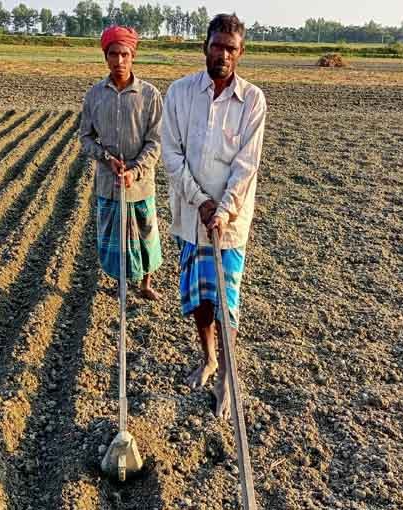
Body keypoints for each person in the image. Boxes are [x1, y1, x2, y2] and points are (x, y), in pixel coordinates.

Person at [161, 13, 267, 419]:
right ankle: (208, 358)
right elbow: (172, 154)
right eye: (217, 45)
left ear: (241, 53)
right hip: (191, 218)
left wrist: (222, 210)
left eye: (231, 48)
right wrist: (200, 202)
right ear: (204, 46)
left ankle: (227, 375)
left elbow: (246, 165)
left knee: (226, 300)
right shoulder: (180, 93)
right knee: (200, 299)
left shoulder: (252, 100)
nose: (223, 54)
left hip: (230, 223)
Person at [79, 25, 163, 300]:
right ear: (105, 57)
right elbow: (86, 137)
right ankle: (120, 284)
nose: (119, 61)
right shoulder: (94, 95)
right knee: (115, 238)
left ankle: (146, 284)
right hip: (109, 182)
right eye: (113, 54)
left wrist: (135, 170)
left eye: (124, 54)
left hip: (141, 183)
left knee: (146, 234)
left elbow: (155, 141)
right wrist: (106, 158)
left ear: (133, 56)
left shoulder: (150, 95)